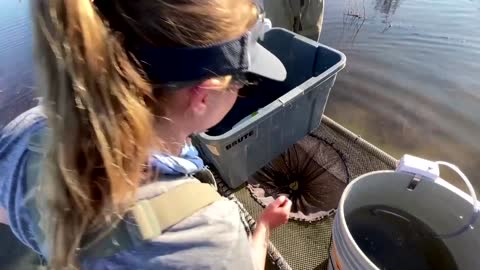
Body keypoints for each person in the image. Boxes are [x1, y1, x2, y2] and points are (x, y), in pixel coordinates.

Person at [0, 0, 292, 269]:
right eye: (243, 80)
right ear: (203, 94)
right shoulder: (209, 233)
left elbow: (10, 211)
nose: (242, 89)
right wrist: (263, 228)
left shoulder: (29, 132)